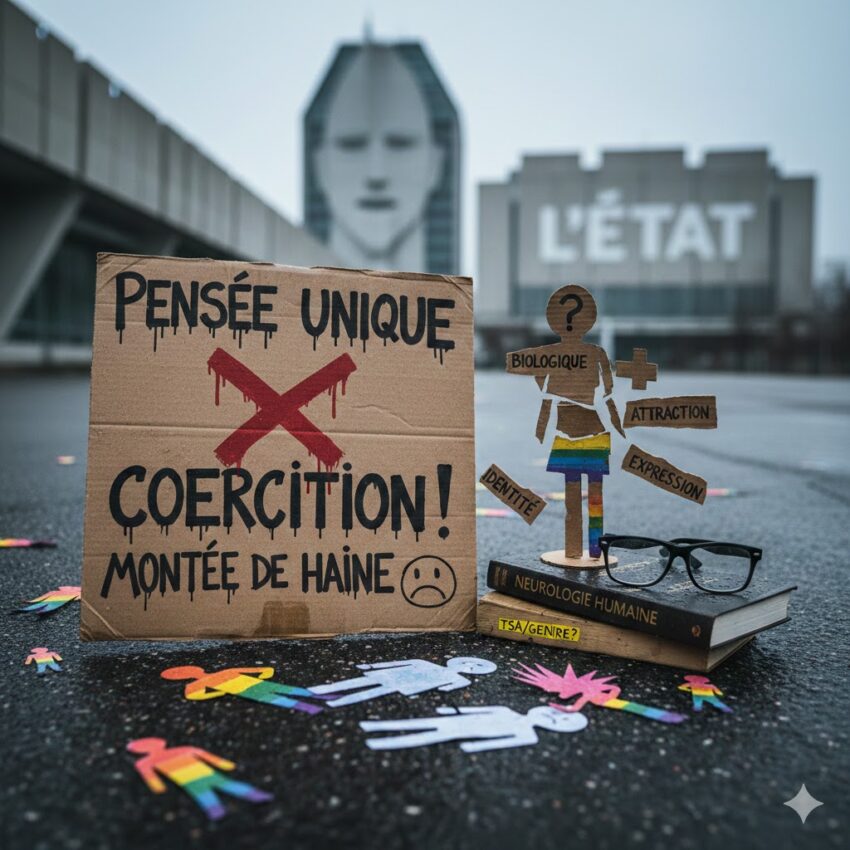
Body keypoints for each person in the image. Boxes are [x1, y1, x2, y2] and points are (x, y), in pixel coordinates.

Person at [507, 285, 624, 565]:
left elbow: (604, 395)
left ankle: (592, 550)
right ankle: (582, 550)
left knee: (585, 495)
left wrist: (541, 426)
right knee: (583, 496)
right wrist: (540, 426)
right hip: (579, 431)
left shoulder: (581, 354)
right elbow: (552, 397)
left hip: (579, 431)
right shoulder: (576, 354)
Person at [127, 737, 272, 820]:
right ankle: (252, 797)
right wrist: (224, 764)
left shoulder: (145, 762)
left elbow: (149, 775)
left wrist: (157, 786)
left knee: (206, 791)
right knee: (222, 786)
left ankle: (217, 810)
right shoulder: (183, 749)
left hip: (191, 778)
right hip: (199, 775)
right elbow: (204, 754)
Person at [361, 705, 587, 752]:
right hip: (460, 723)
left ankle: (383, 741)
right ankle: (376, 726)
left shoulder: (527, 735)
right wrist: (452, 711)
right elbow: (484, 710)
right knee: (421, 724)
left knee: (429, 735)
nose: (550, 715)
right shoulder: (507, 711)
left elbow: (503, 742)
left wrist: (472, 746)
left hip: (465, 731)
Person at [310, 657, 496, 707]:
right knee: (356, 683)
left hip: (404, 685)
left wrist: (421, 695)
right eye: (466, 663)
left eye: (471, 668)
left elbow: (447, 689)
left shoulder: (459, 679)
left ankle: (337, 701)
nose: (466, 667)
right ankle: (324, 690)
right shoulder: (424, 662)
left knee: (368, 693)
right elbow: (401, 662)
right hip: (391, 677)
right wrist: (371, 666)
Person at [161, 665, 334, 715]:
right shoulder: (225, 672)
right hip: (252, 687)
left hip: (249, 690)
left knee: (284, 696)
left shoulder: (195, 685)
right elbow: (265, 670)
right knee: (288, 692)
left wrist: (220, 692)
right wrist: (261, 676)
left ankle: (314, 706)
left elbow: (195, 694)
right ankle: (323, 700)